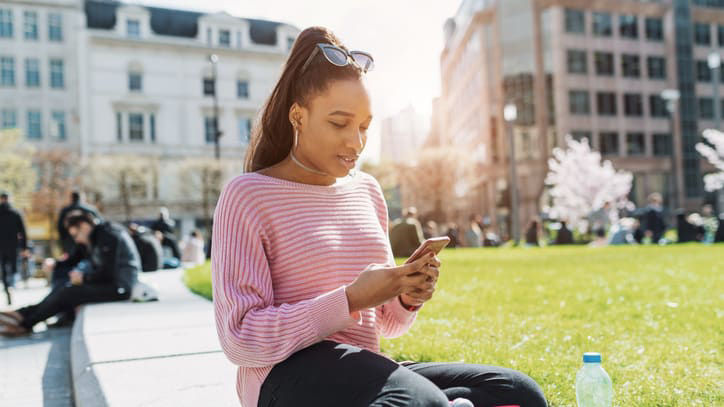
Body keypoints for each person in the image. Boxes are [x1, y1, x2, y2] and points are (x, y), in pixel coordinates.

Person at [211, 27, 547, 407]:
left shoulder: (367, 190)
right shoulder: (248, 195)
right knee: (420, 403)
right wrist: (350, 298)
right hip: (285, 375)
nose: (356, 142)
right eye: (339, 123)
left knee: (518, 394)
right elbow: (240, 338)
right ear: (298, 117)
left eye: (364, 126)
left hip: (367, 369)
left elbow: (387, 323)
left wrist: (404, 296)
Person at [0, 212, 140, 336]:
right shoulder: (92, 237)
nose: (76, 239)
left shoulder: (109, 235)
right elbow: (74, 258)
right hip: (109, 283)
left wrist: (84, 278)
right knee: (63, 285)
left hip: (120, 287)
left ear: (84, 226)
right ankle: (22, 314)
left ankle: (25, 324)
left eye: (75, 234)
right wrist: (55, 264)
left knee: (70, 292)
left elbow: (110, 273)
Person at [0, 192, 30, 305]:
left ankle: (7, 287)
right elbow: (23, 231)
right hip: (13, 246)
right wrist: (24, 247)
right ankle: (11, 285)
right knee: (13, 267)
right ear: (9, 199)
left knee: (2, 268)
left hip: (1, 246)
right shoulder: (16, 213)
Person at [57, 190, 100, 255]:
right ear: (82, 198)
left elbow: (60, 228)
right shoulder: (91, 210)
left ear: (71, 198)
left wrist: (64, 241)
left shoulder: (65, 211)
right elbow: (100, 225)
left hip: (70, 243)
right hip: (89, 242)